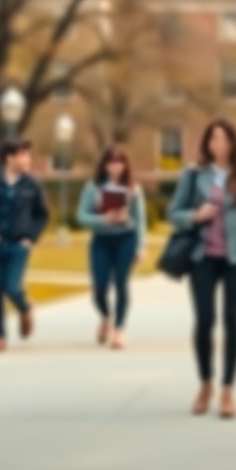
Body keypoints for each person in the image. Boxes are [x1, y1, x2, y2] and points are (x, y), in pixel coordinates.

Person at [167, 118, 236, 420]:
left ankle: (228, 390)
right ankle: (205, 384)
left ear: (233, 144)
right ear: (207, 143)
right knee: (204, 320)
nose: (219, 145)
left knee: (232, 320)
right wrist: (195, 215)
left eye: (225, 139)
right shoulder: (194, 174)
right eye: (214, 139)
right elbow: (174, 213)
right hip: (202, 257)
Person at [0, 138, 51, 356]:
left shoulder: (32, 184)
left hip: (19, 246)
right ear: (10, 158)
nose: (28, 159)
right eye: (24, 155)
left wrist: (30, 238)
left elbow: (42, 215)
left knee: (12, 287)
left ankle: (25, 308)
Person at [76, 144, 147, 350]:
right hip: (101, 240)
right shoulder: (93, 187)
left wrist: (140, 246)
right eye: (111, 162)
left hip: (126, 239)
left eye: (120, 162)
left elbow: (140, 220)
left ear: (125, 165)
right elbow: (81, 216)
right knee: (99, 287)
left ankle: (119, 330)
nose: (115, 167)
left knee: (121, 283)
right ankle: (106, 316)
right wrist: (103, 219)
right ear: (105, 165)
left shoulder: (134, 189)